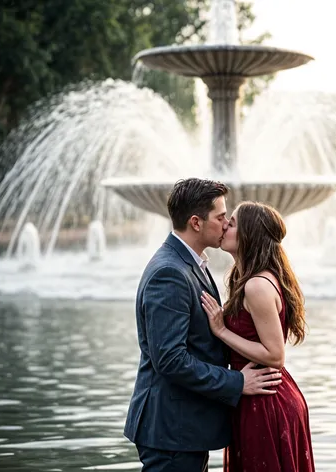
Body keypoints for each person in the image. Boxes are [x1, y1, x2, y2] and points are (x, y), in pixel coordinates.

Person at [124, 179, 283, 472]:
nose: (225, 225)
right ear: (196, 222)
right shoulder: (170, 273)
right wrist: (237, 382)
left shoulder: (190, 264)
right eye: (221, 218)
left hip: (185, 427)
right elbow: (169, 359)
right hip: (171, 429)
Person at [201, 201, 315, 472]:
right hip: (258, 394)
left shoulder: (256, 285)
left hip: (267, 401)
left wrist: (221, 331)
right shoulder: (248, 278)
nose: (226, 225)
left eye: (234, 223)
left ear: (249, 234)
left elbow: (275, 355)